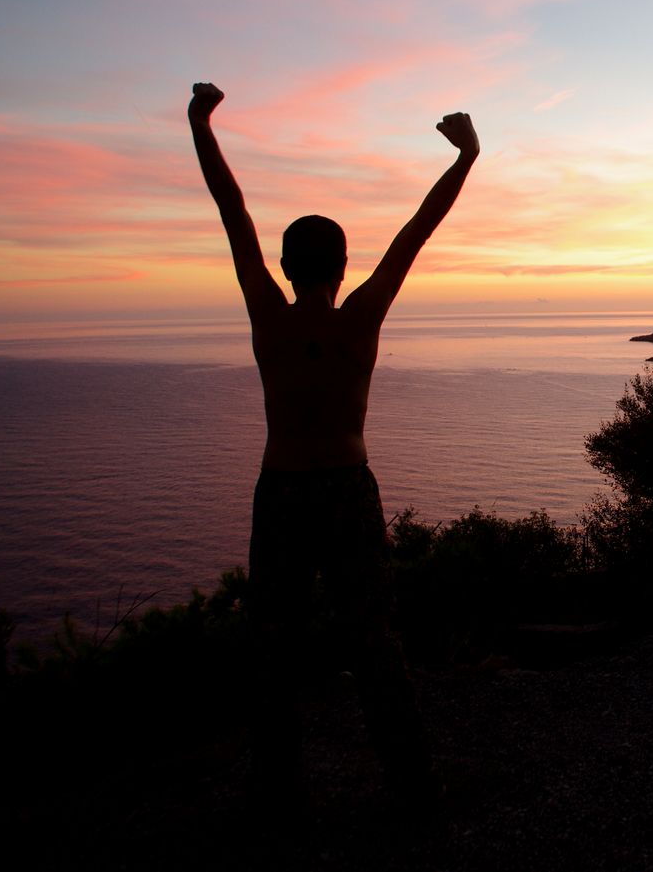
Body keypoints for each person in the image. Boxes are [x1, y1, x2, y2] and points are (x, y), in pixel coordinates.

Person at [187, 81, 478, 814]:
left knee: (273, 653)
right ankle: (416, 791)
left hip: (282, 491)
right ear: (342, 266)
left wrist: (200, 122)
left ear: (285, 267)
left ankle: (276, 797)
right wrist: (467, 155)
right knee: (375, 646)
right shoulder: (363, 318)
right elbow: (417, 230)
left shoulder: (267, 314)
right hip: (348, 489)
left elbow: (233, 211)